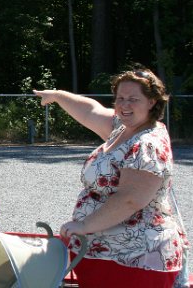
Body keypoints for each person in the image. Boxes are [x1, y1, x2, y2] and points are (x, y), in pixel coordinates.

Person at [34, 67, 188, 288]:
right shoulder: (123, 128)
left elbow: (130, 199)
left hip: (135, 260)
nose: (124, 104)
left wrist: (84, 225)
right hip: (107, 254)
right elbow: (90, 111)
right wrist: (58, 96)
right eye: (120, 98)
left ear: (152, 102)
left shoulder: (147, 144)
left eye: (133, 99)